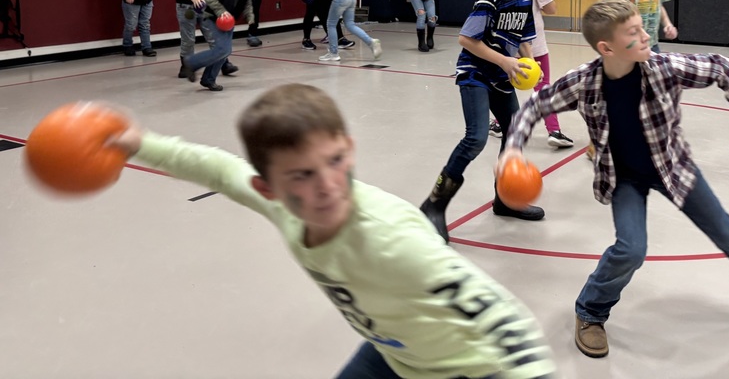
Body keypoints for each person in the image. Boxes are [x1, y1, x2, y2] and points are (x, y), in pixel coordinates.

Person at [110, 83, 557, 379]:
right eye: (302, 175)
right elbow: (219, 169)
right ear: (267, 189)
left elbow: (503, 319)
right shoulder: (282, 209)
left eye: (336, 162)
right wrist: (138, 143)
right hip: (395, 353)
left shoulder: (393, 240)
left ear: (349, 149)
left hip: (462, 369)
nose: (327, 186)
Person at [499, 0, 729, 359]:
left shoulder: (664, 67)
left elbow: (723, 68)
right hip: (624, 178)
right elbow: (534, 106)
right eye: (634, 33)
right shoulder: (583, 82)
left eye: (643, 28)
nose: (645, 36)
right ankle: (591, 312)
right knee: (630, 248)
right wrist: (514, 149)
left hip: (673, 168)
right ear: (606, 48)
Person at [419, 0, 544, 243]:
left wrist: (530, 65)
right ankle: (433, 205)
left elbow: (524, 38)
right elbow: (466, 39)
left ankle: (504, 199)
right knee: (475, 138)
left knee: (514, 134)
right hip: (475, 73)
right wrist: (505, 62)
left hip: (501, 76)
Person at [488, 0, 571, 148]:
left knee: (506, 84)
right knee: (542, 86)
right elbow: (551, 9)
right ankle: (554, 130)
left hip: (511, 43)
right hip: (534, 44)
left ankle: (498, 123)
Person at [184, 0, 253, 92]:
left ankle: (208, 79)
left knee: (223, 51)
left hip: (229, 20)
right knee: (223, 49)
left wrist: (250, 15)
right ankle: (191, 63)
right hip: (211, 17)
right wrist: (220, 11)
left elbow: (246, 0)